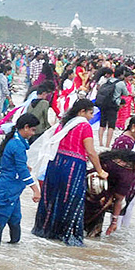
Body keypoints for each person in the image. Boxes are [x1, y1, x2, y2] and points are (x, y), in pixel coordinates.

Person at [30, 98, 106, 247]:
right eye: (90, 113)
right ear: (81, 112)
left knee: (52, 197)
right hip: (73, 166)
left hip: (56, 163)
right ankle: (67, 234)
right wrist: (100, 171)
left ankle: (45, 230)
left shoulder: (62, 124)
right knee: (72, 198)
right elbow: (90, 151)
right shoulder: (84, 126)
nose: (92, 117)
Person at [0, 114, 40, 245]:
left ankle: (10, 253)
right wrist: (36, 190)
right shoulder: (17, 145)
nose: (32, 133)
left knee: (15, 221)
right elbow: (22, 172)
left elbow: (10, 163)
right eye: (32, 130)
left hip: (12, 190)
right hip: (6, 191)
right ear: (26, 127)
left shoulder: (14, 141)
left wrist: (24, 166)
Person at [85, 150, 135, 237]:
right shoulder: (127, 175)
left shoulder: (114, 157)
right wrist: (114, 222)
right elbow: (119, 199)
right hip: (97, 200)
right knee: (91, 233)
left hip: (85, 185)